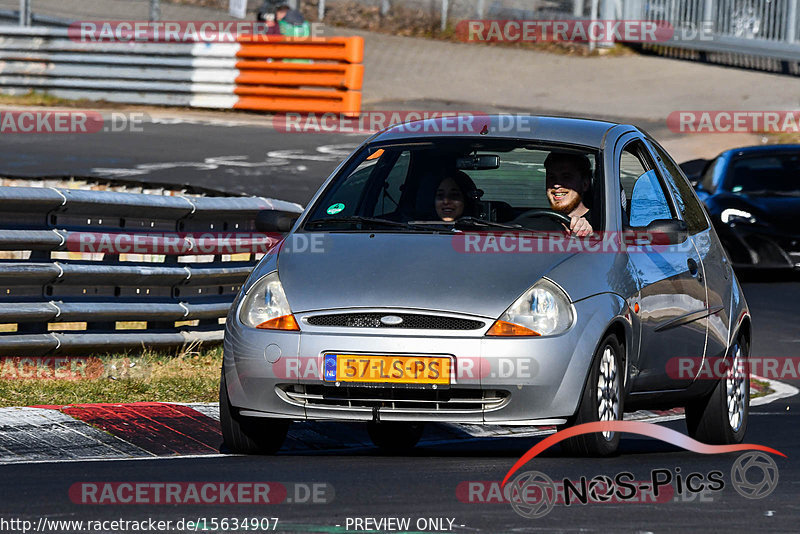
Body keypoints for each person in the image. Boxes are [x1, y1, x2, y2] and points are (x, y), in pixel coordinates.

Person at [543, 152, 594, 237]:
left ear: (585, 184)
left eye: (566, 177)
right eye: (552, 177)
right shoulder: (536, 222)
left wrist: (590, 236)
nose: (556, 185)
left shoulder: (604, 223)